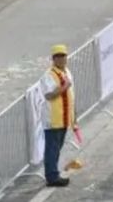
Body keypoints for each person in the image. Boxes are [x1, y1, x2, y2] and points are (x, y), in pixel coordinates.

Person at [39, 45, 75, 187]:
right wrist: (64, 87)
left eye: (63, 56)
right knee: (52, 148)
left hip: (64, 117)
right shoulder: (48, 75)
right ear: (53, 59)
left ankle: (54, 173)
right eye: (58, 56)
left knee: (57, 147)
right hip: (53, 119)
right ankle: (52, 176)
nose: (61, 59)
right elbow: (49, 95)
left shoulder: (67, 72)